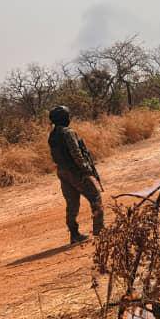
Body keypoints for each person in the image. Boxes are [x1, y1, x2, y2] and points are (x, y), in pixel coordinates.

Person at [48, 105, 104, 245]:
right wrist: (86, 169)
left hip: (62, 171)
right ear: (64, 118)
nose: (69, 118)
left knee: (72, 203)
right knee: (95, 197)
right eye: (67, 115)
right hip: (75, 172)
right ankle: (100, 232)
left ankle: (74, 234)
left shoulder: (53, 134)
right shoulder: (68, 132)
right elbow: (76, 153)